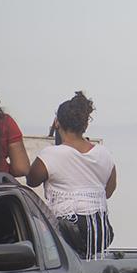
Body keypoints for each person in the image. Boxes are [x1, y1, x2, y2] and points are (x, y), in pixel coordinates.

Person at [27, 92, 117, 259]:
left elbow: (31, 180)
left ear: (57, 123)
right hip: (98, 233)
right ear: (84, 125)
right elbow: (109, 191)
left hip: (66, 233)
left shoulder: (51, 155)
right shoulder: (104, 154)